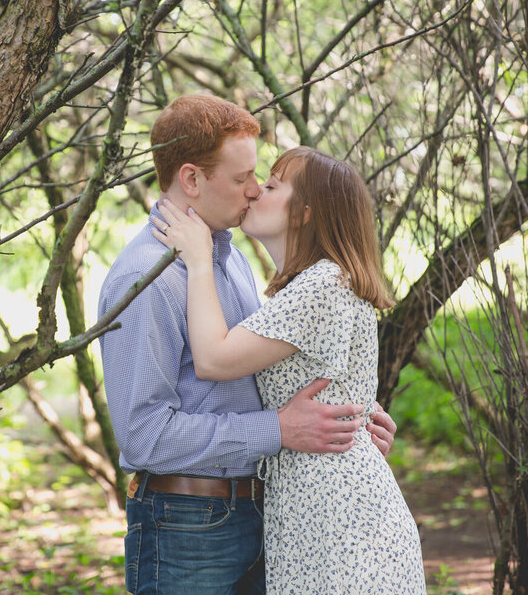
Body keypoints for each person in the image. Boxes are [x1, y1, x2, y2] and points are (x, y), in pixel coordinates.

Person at [97, 94, 398, 595]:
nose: (254, 191)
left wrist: (347, 414)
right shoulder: (144, 279)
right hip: (187, 524)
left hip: (263, 512)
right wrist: (277, 430)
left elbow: (269, 364)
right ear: (191, 179)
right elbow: (143, 436)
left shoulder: (229, 260)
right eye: (242, 180)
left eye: (260, 177)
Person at [150, 145, 428, 594]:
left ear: (304, 213)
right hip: (321, 514)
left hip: (342, 525)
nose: (256, 190)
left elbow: (213, 359)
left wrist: (199, 259)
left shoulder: (322, 284)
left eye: (273, 185)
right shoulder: (314, 285)